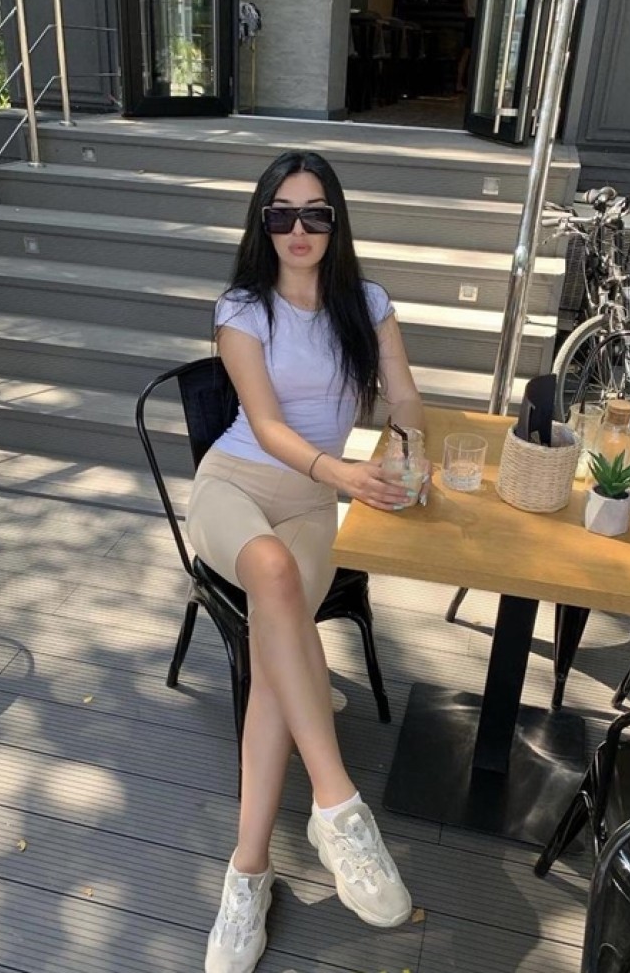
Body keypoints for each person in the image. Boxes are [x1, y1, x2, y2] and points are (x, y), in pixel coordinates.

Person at [186, 149, 428, 973]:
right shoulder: (242, 308)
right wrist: (345, 473)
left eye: (315, 213)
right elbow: (267, 423)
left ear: (335, 222)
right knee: (272, 574)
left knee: (275, 651)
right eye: (282, 214)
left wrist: (408, 444)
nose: (299, 229)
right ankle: (338, 806)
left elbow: (403, 393)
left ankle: (248, 876)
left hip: (313, 506)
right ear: (263, 223)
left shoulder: (368, 304)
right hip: (236, 484)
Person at [456, 0, 480, 93]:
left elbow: (465, 5)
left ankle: (459, 83)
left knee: (466, 53)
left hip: (470, 20)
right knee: (479, 53)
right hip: (480, 20)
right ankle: (474, 85)